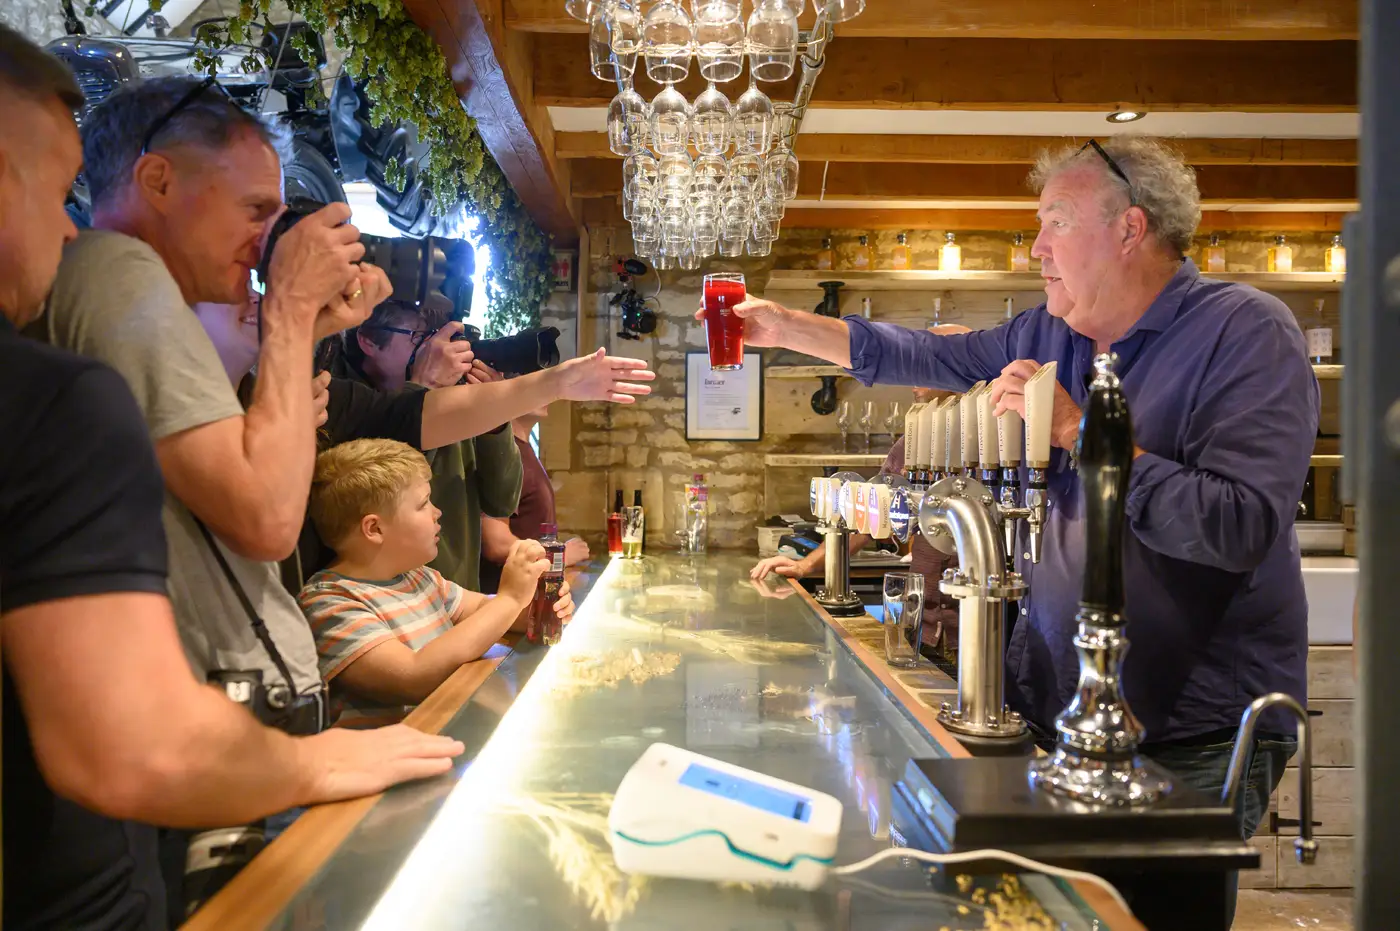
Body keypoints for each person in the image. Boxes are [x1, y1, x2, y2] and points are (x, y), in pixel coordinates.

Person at [709, 137, 1316, 920]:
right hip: (1066, 714)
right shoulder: (1051, 333)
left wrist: (1081, 431)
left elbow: (1237, 524)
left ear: (1130, 230)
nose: (1036, 248)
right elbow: (925, 351)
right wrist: (784, 326)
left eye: (1055, 223)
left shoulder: (1245, 331)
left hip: (1193, 727)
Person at [0, 27, 461, 931]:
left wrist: (306, 326)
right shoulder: (115, 267)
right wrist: (289, 307)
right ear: (160, 182)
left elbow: (262, 505)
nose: (266, 240)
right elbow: (264, 516)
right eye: (254, 210)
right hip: (174, 766)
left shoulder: (144, 310)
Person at [299, 439, 571, 727]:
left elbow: (481, 607)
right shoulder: (330, 602)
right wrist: (510, 599)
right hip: (397, 759)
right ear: (374, 528)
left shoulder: (420, 577)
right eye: (422, 503)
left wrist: (537, 608)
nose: (437, 512)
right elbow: (412, 676)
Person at [331, 300, 524, 593]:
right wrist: (424, 388)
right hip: (390, 613)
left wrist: (494, 416)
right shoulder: (344, 406)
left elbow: (502, 500)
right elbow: (383, 497)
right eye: (417, 337)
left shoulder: (451, 405)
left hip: (459, 601)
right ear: (369, 340)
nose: (435, 349)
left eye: (437, 337)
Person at [478, 401, 591, 594]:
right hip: (510, 600)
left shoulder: (523, 450)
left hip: (531, 595)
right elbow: (495, 543)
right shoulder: (502, 456)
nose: (545, 396)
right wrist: (557, 557)